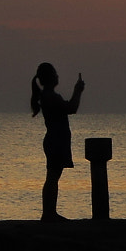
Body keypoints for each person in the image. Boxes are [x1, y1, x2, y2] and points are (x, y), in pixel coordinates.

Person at [29, 62, 84, 219]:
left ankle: (49, 212)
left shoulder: (47, 96)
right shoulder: (50, 97)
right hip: (56, 141)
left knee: (53, 177)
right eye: (55, 73)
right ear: (51, 78)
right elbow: (71, 108)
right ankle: (49, 213)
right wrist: (78, 91)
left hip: (55, 140)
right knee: (52, 178)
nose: (58, 76)